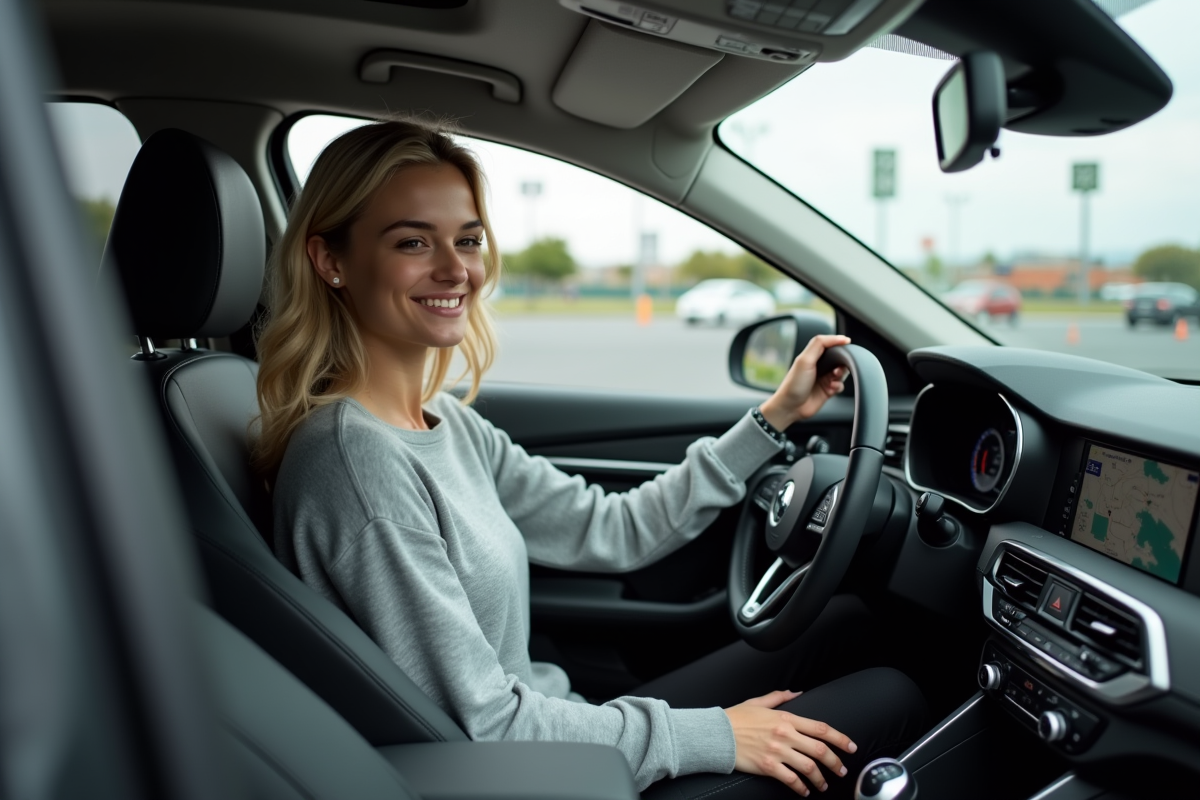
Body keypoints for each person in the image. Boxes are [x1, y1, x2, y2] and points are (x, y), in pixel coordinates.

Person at [254, 119, 926, 799]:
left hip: (563, 733)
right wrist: (717, 735)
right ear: (330, 260)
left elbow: (614, 528)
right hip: (533, 779)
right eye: (413, 242)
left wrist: (773, 417)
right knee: (890, 698)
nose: (456, 270)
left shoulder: (447, 423)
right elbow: (486, 728)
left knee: (850, 625)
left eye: (469, 240)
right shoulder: (356, 462)